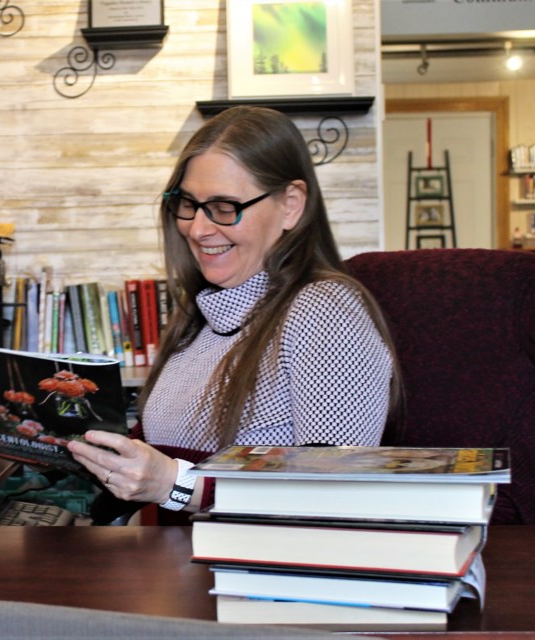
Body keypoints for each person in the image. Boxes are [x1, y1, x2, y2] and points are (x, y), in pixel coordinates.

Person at [67, 106, 400, 523]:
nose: (198, 228)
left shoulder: (324, 311)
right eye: (188, 203)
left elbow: (332, 489)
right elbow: (160, 450)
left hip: (255, 576)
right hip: (175, 566)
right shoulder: (202, 313)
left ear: (291, 205)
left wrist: (174, 483)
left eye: (224, 207)